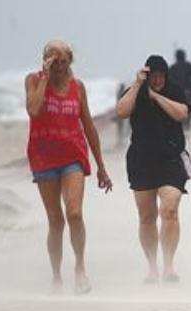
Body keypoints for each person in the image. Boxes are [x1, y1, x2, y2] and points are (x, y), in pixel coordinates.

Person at [25, 40, 113, 294]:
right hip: (43, 157)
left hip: (73, 156)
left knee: (74, 213)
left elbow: (89, 126)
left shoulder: (78, 87)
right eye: (54, 62)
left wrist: (101, 166)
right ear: (45, 60)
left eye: (63, 62)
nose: (60, 67)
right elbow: (34, 109)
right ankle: (55, 276)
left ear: (70, 62)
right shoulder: (33, 80)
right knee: (56, 221)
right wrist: (44, 77)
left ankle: (80, 268)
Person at [116, 55, 190, 284]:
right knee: (147, 216)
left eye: (160, 76)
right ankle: (152, 266)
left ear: (165, 75)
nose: (157, 79)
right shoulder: (134, 90)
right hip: (142, 160)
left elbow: (181, 113)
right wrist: (138, 85)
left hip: (170, 159)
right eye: (153, 76)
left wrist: (156, 96)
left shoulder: (174, 90)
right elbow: (121, 111)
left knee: (169, 209)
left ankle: (169, 265)